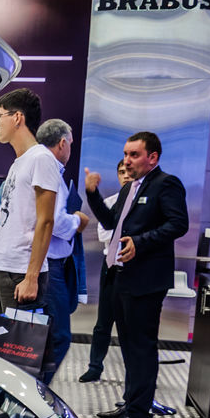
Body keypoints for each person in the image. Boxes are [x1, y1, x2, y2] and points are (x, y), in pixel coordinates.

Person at [85, 131, 189, 418]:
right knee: (129, 347)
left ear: (152, 157)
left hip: (145, 279)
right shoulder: (132, 188)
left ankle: (139, 415)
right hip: (121, 275)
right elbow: (110, 223)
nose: (127, 161)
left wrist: (140, 242)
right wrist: (93, 194)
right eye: (126, 154)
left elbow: (178, 223)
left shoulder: (165, 184)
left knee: (141, 348)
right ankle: (130, 405)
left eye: (134, 155)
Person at [0, 89, 56, 322]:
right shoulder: (19, 163)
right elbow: (7, 222)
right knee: (3, 350)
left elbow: (46, 221)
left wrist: (31, 277)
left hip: (21, 274)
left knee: (20, 354)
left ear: (17, 118)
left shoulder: (41, 159)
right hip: (2, 271)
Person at [36, 119, 89, 383]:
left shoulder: (27, 163)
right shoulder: (50, 169)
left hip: (35, 264)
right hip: (48, 266)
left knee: (29, 335)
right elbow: (54, 222)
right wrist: (78, 220)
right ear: (63, 143)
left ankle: (29, 396)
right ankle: (37, 395)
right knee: (57, 338)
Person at [79, 160, 131, 382]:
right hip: (110, 267)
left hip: (133, 269)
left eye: (129, 171)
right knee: (103, 322)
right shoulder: (108, 203)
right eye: (121, 172)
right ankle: (94, 366)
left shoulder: (144, 204)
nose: (126, 175)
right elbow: (104, 234)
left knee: (130, 326)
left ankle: (134, 372)